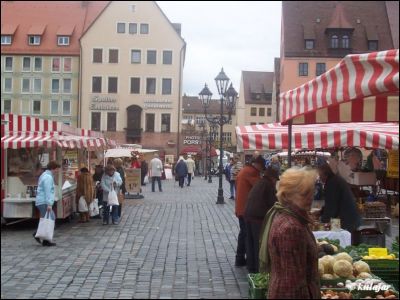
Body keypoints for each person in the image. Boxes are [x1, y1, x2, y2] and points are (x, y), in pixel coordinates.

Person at [259, 167, 319, 298]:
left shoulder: (291, 217)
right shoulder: (291, 228)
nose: (310, 198)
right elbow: (294, 282)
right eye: (304, 194)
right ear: (286, 195)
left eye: (311, 192)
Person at [244, 167, 279, 273]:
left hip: (248, 215)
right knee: (258, 243)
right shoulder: (268, 185)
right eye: (275, 180)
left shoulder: (260, 183)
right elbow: (273, 203)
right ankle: (257, 268)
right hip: (257, 217)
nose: (275, 182)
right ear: (272, 178)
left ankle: (251, 266)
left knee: (250, 242)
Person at [234, 155, 265, 267]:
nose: (262, 169)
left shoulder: (244, 170)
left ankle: (240, 257)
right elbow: (260, 187)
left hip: (241, 207)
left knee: (243, 233)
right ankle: (245, 258)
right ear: (257, 164)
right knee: (246, 234)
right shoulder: (251, 172)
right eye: (262, 166)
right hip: (246, 208)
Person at [317, 163, 361, 232]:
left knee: (345, 239)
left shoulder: (332, 183)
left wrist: (323, 222)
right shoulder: (335, 179)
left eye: (320, 175)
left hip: (347, 219)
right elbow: (332, 202)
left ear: (326, 174)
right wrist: (321, 212)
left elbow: (332, 206)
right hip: (350, 217)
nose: (319, 177)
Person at [33, 161, 61, 247]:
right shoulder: (48, 177)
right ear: (53, 168)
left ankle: (43, 237)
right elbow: (48, 191)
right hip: (44, 202)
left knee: (46, 219)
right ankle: (42, 237)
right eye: (57, 169)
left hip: (42, 201)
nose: (57, 171)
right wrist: (49, 204)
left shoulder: (45, 175)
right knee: (50, 219)